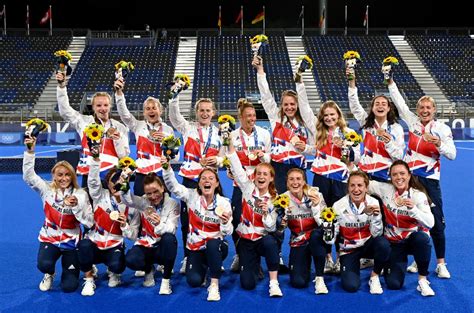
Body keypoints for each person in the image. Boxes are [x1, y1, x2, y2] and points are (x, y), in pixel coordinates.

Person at [388, 76, 456, 278]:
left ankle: (441, 263)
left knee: (435, 221)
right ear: (418, 110)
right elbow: (399, 103)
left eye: (428, 108)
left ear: (434, 110)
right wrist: (391, 82)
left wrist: (438, 144)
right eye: (421, 108)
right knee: (414, 218)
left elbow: (452, 154)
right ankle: (420, 260)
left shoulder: (442, 129)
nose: (425, 111)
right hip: (410, 180)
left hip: (430, 180)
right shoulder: (413, 123)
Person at [347, 68, 405, 270]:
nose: (380, 106)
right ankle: (367, 255)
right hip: (365, 178)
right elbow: (354, 105)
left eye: (384, 104)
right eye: (376, 104)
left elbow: (400, 157)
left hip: (384, 181)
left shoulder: (396, 129)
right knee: (364, 216)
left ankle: (384, 255)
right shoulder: (367, 124)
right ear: (372, 108)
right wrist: (352, 82)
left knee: (384, 217)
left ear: (389, 108)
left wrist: (388, 142)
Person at [23, 137, 93, 293]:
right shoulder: (46, 189)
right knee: (44, 264)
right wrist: (29, 151)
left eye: (68, 175)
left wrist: (76, 207)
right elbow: (28, 177)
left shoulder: (81, 194)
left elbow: (89, 222)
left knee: (69, 287)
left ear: (73, 176)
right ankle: (50, 274)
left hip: (71, 243)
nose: (64, 178)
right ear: (54, 175)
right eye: (60, 175)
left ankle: (73, 273)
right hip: (50, 238)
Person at [162, 159, 232, 301]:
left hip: (217, 247)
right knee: (194, 282)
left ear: (217, 183)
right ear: (199, 184)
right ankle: (207, 265)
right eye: (203, 178)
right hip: (196, 248)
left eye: (211, 178)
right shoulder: (192, 196)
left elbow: (227, 232)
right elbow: (173, 186)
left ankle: (214, 285)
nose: (207, 181)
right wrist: (166, 168)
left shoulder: (224, 203)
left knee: (213, 244)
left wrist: (225, 222)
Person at [168, 94, 222, 274]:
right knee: (188, 220)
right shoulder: (187, 128)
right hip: (190, 180)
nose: (205, 113)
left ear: (213, 113)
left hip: (211, 181)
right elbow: (174, 117)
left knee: (214, 217)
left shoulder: (220, 132)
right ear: (196, 112)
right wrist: (174, 97)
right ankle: (188, 256)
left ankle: (214, 256)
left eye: (208, 110)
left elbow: (225, 157)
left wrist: (217, 160)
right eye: (202, 110)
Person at [308, 100, 361, 274]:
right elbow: (311, 149)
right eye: (326, 115)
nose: (330, 118)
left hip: (340, 180)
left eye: (332, 114)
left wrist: (346, 147)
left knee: (339, 217)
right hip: (321, 179)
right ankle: (326, 258)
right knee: (322, 216)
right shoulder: (318, 133)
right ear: (322, 118)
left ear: (338, 115)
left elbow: (356, 159)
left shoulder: (349, 133)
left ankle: (340, 257)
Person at [369, 160, 435, 296]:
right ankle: (386, 269)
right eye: (394, 175)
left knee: (422, 238)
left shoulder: (418, 195)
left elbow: (430, 223)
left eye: (402, 173)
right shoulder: (385, 189)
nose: (399, 177)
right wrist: (350, 165)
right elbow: (364, 183)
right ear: (390, 177)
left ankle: (423, 280)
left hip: (412, 241)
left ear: (409, 175)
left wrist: (414, 209)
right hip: (394, 243)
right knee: (394, 284)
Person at [226, 139, 283, 297]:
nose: (261, 177)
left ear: (271, 178)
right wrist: (228, 143)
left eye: (265, 174)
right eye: (258, 174)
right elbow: (236, 166)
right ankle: (254, 264)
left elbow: (271, 228)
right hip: (246, 240)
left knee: (271, 243)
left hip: (262, 239)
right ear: (254, 176)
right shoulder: (247, 187)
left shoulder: (275, 199)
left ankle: (274, 283)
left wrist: (266, 214)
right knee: (248, 284)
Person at [77, 150, 137, 296]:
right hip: (95, 244)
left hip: (114, 246)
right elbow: (92, 180)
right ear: (107, 184)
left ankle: (114, 271)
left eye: (121, 180)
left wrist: (125, 226)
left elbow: (134, 236)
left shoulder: (132, 203)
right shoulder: (98, 196)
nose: (117, 183)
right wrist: (96, 160)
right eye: (113, 181)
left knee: (117, 266)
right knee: (83, 245)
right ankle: (89, 278)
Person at [56, 72, 130, 186]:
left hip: (112, 173)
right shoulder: (84, 122)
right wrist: (61, 87)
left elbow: (124, 156)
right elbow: (65, 111)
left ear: (110, 106)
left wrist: (117, 139)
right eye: (99, 105)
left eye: (106, 105)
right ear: (93, 107)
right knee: (89, 203)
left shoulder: (120, 127)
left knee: (112, 204)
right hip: (90, 172)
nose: (103, 108)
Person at [252, 55, 313, 193]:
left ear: (297, 105)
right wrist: (260, 71)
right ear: (281, 106)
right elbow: (266, 97)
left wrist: (305, 147)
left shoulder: (306, 123)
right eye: (286, 104)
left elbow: (314, 149)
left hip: (298, 168)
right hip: (278, 167)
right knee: (280, 203)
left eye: (292, 104)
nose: (289, 107)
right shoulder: (276, 119)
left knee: (300, 203)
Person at [228, 98, 271, 272]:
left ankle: (257, 258)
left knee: (260, 218)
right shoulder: (232, 136)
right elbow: (226, 156)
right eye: (247, 116)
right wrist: (229, 169)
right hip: (240, 183)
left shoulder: (264, 133)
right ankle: (240, 254)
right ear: (240, 117)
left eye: (253, 115)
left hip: (260, 183)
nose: (251, 119)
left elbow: (270, 158)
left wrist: (262, 156)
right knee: (237, 218)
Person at [121, 173, 180, 294]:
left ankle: (166, 281)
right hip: (146, 245)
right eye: (149, 193)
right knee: (130, 260)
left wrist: (159, 224)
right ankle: (148, 269)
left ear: (163, 188)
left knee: (170, 239)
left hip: (162, 247)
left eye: (156, 191)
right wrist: (124, 184)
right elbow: (127, 200)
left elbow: (172, 229)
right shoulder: (142, 202)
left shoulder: (173, 204)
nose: (153, 196)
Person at [114, 78, 175, 196]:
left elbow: (175, 157)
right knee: (141, 208)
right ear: (144, 113)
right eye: (148, 109)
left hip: (162, 173)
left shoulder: (168, 130)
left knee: (164, 206)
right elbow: (124, 115)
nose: (151, 111)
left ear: (160, 110)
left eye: (154, 108)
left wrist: (166, 143)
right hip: (141, 174)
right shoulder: (138, 126)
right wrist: (119, 94)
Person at [333, 171, 390, 294]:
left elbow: (376, 234)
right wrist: (328, 229)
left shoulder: (374, 202)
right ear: (348, 187)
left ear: (366, 187)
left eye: (360, 185)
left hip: (367, 246)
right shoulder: (338, 206)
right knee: (351, 286)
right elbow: (332, 238)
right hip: (349, 250)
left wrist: (375, 218)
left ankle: (374, 276)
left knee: (383, 244)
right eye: (352, 185)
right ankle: (352, 264)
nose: (356, 189)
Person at [282, 168, 329, 294]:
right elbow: (278, 230)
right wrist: (282, 221)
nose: (295, 182)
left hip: (316, 237)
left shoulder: (315, 195)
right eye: (291, 179)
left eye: (298, 179)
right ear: (287, 182)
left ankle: (320, 277)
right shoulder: (282, 200)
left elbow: (324, 224)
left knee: (316, 235)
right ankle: (305, 263)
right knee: (299, 282)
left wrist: (315, 206)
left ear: (304, 182)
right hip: (298, 240)